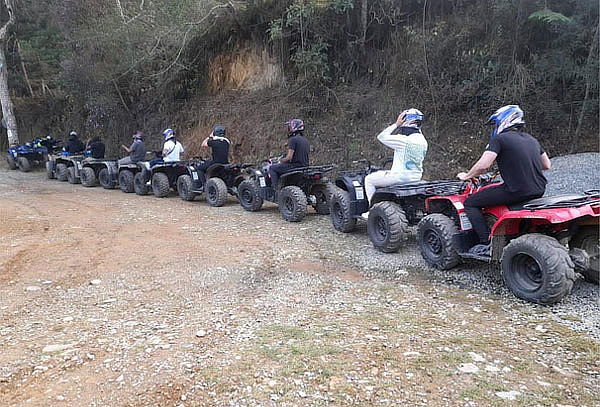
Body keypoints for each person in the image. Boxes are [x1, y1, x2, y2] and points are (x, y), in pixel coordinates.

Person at [457, 105, 552, 256]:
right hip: (539, 189)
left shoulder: (499, 139)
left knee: (471, 202)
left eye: (495, 124)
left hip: (516, 191)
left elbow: (483, 165)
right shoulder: (532, 140)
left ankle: (485, 242)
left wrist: (467, 175)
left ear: (503, 121)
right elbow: (547, 165)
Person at [363, 108, 428, 218]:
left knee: (368, 179)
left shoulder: (403, 140)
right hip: (415, 177)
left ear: (405, 121)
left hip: (399, 177)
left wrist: (396, 124)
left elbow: (381, 137)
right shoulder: (423, 141)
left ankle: (372, 211)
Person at [268, 119, 310, 189]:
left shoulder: (293, 140)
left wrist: (280, 160)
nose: (289, 129)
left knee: (272, 168)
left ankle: (276, 189)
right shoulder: (305, 140)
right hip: (305, 166)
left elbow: (289, 157)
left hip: (295, 166)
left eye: (289, 127)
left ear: (294, 127)